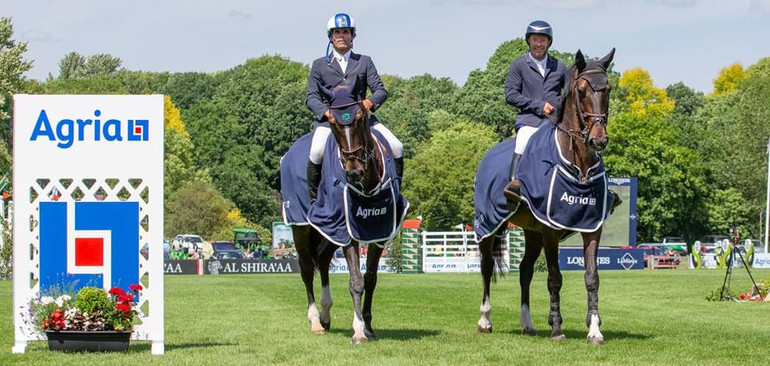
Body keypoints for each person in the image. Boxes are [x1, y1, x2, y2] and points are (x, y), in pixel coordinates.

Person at [305, 12, 404, 203]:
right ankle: (314, 202)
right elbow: (311, 97)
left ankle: (396, 194)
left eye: (346, 32)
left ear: (352, 36)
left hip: (360, 119)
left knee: (397, 146)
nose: (341, 36)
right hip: (331, 122)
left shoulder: (364, 61)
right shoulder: (319, 65)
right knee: (316, 152)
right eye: (337, 33)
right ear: (331, 37)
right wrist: (325, 113)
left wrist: (369, 103)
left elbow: (380, 90)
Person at [503, 20, 568, 200]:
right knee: (523, 140)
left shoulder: (559, 66)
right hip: (529, 120)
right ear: (528, 41)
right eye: (535, 40)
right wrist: (539, 106)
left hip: (556, 122)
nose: (538, 44)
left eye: (542, 40)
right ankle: (514, 182)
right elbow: (511, 95)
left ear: (549, 42)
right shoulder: (519, 65)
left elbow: (570, 93)